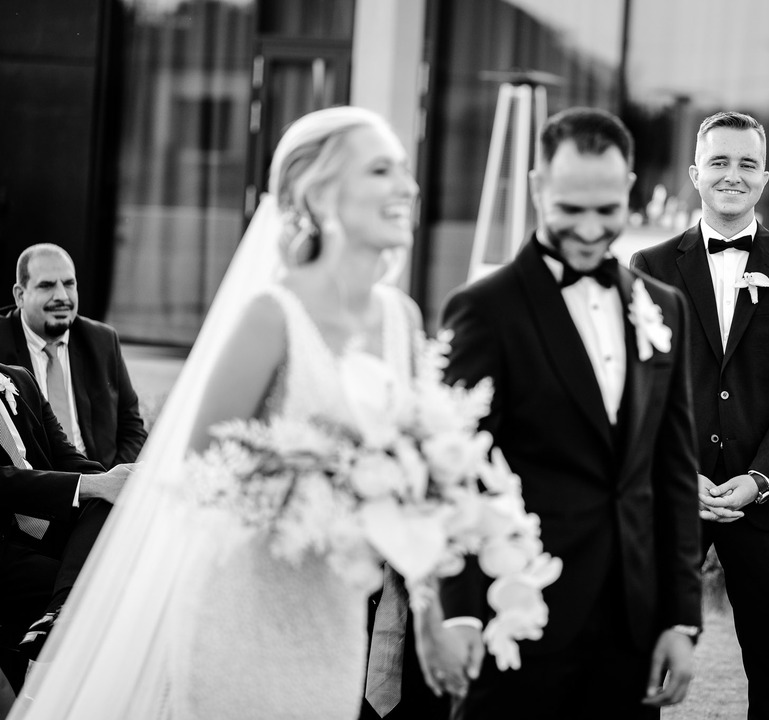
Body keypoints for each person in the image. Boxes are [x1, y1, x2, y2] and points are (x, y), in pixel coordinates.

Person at [7, 106, 442, 720]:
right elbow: (195, 479)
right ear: (318, 192)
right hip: (244, 611)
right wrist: (322, 491)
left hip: (338, 613)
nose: (408, 186)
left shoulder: (403, 319)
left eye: (403, 169)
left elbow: (425, 477)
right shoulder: (270, 316)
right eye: (380, 170)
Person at [428, 107, 702, 719]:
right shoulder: (484, 309)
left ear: (629, 189)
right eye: (569, 209)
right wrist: (463, 610)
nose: (587, 229)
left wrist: (680, 619)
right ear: (535, 189)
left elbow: (673, 474)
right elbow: (453, 475)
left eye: (606, 211)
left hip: (631, 628)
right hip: (519, 618)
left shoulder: (665, 309)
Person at [630, 110, 769, 719]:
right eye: (719, 161)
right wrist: (679, 474)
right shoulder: (648, 266)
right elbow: (641, 390)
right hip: (671, 500)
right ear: (696, 173)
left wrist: (759, 479)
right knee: (642, 656)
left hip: (766, 504)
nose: (733, 175)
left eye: (747, 164)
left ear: (764, 178)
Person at [0, 362, 132, 692]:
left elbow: (67, 456)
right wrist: (93, 484)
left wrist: (120, 480)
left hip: (53, 532)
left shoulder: (19, 379)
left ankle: (63, 611)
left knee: (108, 500)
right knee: (104, 582)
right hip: (5, 546)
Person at [1, 243, 148, 468]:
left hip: (100, 481)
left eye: (69, 284)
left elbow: (132, 428)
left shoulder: (103, 341)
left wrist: (111, 482)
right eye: (47, 286)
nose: (61, 296)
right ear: (20, 295)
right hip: (35, 489)